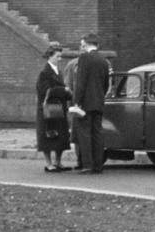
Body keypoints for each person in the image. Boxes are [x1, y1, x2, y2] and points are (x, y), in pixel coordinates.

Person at [67, 32, 111, 175]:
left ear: (86, 44)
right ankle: (98, 165)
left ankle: (87, 165)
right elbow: (106, 83)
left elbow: (81, 82)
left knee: (84, 133)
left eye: (82, 44)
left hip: (85, 103)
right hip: (98, 102)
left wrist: (77, 102)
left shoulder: (84, 58)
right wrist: (100, 96)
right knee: (97, 133)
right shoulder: (103, 60)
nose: (81, 46)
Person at [34, 43, 71, 172]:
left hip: (58, 108)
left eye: (60, 56)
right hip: (48, 109)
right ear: (50, 56)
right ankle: (49, 163)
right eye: (57, 56)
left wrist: (68, 94)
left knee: (60, 135)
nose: (59, 59)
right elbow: (44, 90)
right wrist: (63, 90)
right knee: (48, 135)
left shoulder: (58, 71)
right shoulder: (44, 73)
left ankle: (58, 162)